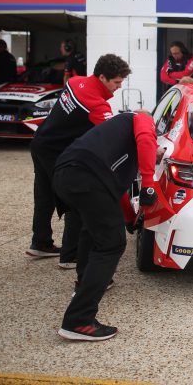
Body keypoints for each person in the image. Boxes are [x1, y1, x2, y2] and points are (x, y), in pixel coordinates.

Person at [54, 110, 160, 341]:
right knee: (112, 245)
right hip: (88, 177)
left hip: (65, 174)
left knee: (91, 231)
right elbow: (145, 138)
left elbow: (114, 197)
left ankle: (84, 281)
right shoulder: (140, 118)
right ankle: (79, 321)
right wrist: (148, 184)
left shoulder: (114, 145)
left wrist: (130, 219)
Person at [27, 54, 131, 267]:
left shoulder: (75, 82)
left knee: (44, 196)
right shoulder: (98, 106)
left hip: (39, 142)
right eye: (117, 82)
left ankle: (40, 242)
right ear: (102, 77)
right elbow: (113, 136)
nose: (119, 87)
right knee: (77, 200)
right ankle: (70, 255)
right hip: (56, 152)